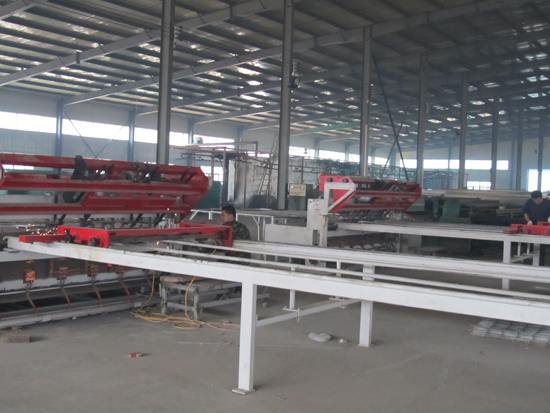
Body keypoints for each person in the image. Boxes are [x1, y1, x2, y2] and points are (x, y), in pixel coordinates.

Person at [522, 190, 550, 266]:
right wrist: (529, 221)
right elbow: (526, 213)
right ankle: (527, 263)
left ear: (541, 198)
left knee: (541, 246)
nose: (536, 202)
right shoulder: (529, 202)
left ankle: (540, 264)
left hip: (544, 228)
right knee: (529, 245)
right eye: (535, 200)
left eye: (538, 200)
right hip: (532, 227)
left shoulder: (548, 203)